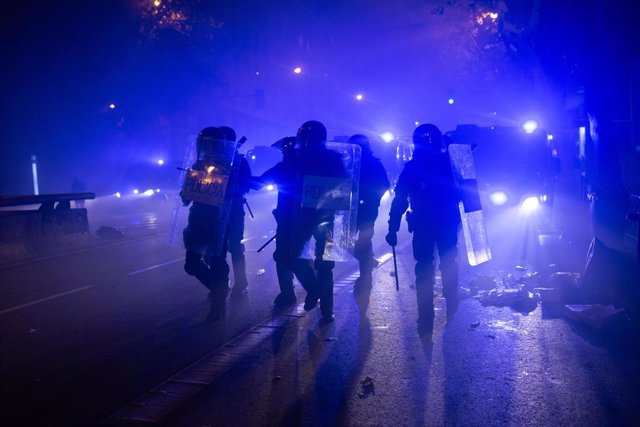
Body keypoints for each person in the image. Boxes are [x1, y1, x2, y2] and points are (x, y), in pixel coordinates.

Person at [385, 124, 460, 333]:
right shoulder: (450, 164)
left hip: (425, 226)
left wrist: (392, 228)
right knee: (448, 263)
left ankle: (426, 317)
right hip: (445, 223)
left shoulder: (413, 168)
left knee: (425, 268)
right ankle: (452, 306)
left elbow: (400, 199)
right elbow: (466, 193)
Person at [182, 126, 245, 321]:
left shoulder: (232, 164)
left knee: (218, 261)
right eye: (205, 143)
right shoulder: (199, 164)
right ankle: (220, 289)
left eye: (211, 143)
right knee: (191, 265)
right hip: (197, 219)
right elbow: (186, 197)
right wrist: (186, 192)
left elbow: (241, 187)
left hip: (219, 220)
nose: (207, 147)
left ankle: (218, 306)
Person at [291, 120, 349, 321]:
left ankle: (325, 309)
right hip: (308, 216)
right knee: (298, 257)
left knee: (322, 263)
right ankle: (316, 292)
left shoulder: (328, 158)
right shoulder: (298, 158)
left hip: (322, 217)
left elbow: (343, 186)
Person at [254, 136, 312, 308]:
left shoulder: (284, 167)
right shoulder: (308, 166)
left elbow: (259, 182)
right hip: (303, 220)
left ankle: (305, 290)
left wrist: (238, 180)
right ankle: (298, 291)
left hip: (290, 220)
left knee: (285, 257)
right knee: (292, 256)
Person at [348, 134, 390, 290]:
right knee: (344, 241)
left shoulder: (372, 164)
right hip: (351, 209)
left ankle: (365, 274)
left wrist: (372, 198)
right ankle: (367, 263)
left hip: (366, 209)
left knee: (364, 240)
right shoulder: (348, 163)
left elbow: (383, 184)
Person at [219, 126, 252, 299]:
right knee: (216, 249)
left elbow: (247, 184)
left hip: (234, 207)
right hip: (214, 208)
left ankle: (241, 282)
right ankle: (220, 284)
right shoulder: (212, 160)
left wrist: (233, 185)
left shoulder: (239, 161)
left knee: (234, 246)